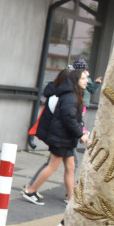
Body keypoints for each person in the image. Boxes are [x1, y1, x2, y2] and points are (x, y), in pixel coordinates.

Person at [22, 58, 90, 209]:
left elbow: (73, 118)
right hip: (61, 138)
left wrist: (80, 131)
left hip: (64, 138)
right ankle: (30, 190)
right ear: (75, 80)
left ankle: (71, 198)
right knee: (53, 165)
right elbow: (68, 118)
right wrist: (81, 134)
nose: (87, 81)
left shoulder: (72, 94)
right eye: (84, 78)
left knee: (71, 166)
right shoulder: (70, 97)